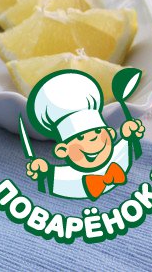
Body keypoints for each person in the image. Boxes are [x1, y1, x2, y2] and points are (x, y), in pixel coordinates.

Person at [25, 70, 145, 200]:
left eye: (98, 132)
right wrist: (42, 171)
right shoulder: (67, 179)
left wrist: (130, 134)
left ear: (110, 133)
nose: (93, 140)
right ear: (62, 151)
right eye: (81, 137)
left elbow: (127, 146)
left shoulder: (120, 156)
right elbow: (49, 179)